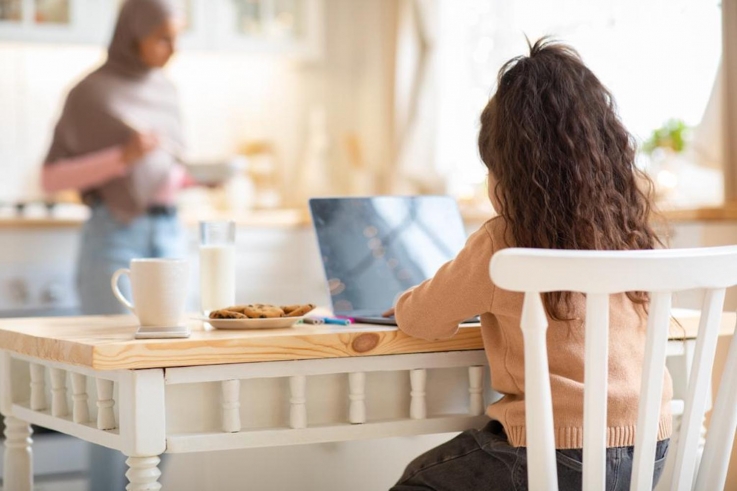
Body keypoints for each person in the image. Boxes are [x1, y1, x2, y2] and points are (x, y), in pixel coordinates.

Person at [386, 39, 672, 491]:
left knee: (418, 480)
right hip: (649, 451)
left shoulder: (504, 241)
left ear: (508, 168)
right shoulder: (628, 234)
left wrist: (404, 300)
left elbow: (421, 318)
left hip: (555, 455)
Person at [40, 1, 188, 489]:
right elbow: (50, 177)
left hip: (170, 233)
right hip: (114, 236)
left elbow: (165, 173)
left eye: (178, 36)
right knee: (115, 391)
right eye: (164, 37)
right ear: (133, 33)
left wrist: (191, 180)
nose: (173, 49)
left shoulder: (166, 91)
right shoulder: (89, 93)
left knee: (168, 383)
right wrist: (122, 157)